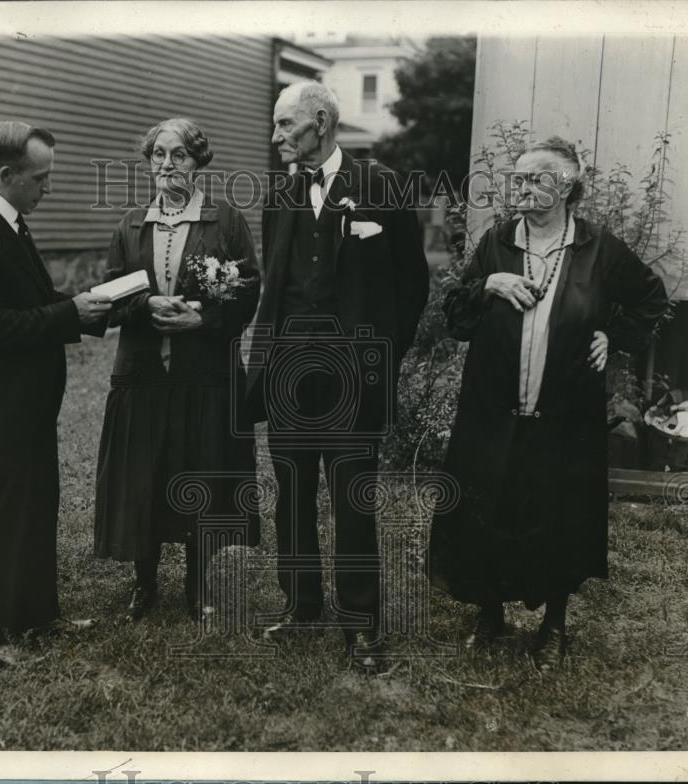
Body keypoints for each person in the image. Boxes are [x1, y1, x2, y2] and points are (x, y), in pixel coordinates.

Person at [428, 136, 669, 670]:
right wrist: (488, 282)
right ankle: (489, 614)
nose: (525, 186)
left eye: (539, 178)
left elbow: (652, 297)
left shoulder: (598, 248)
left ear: (568, 188)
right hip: (493, 408)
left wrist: (615, 334)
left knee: (559, 514)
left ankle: (553, 626)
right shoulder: (497, 242)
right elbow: (457, 318)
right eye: (520, 177)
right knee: (487, 504)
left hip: (563, 412)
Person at [247, 81, 430, 670]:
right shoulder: (278, 194)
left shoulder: (381, 186)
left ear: (320, 121)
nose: (276, 136)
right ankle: (302, 605)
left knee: (354, 499)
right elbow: (276, 284)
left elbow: (413, 283)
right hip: (288, 372)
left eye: (284, 125)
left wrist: (382, 355)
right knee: (292, 495)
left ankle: (362, 625)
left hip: (354, 376)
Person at [0, 121, 112, 668]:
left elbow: (34, 300)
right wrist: (70, 314)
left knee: (37, 509)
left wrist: (97, 305)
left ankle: (38, 618)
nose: (48, 189)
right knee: (1, 520)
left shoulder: (10, 222)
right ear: (7, 174)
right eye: (41, 179)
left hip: (31, 404)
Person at [94, 118, 260, 621]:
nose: (168, 165)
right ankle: (143, 585)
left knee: (197, 474)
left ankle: (197, 586)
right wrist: (142, 308)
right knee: (143, 476)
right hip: (144, 376)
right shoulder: (130, 224)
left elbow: (248, 289)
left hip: (202, 376)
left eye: (179, 155)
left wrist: (202, 319)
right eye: (158, 156)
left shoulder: (225, 220)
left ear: (198, 161)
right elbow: (109, 294)